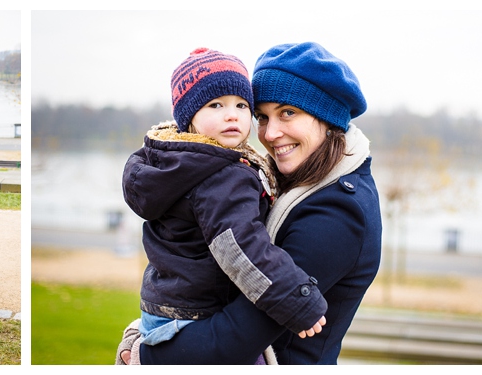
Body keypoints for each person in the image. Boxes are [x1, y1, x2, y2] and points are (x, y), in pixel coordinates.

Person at [132, 42, 382, 365]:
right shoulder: (292, 176)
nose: (271, 133)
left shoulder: (338, 214)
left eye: (288, 113)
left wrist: (144, 353)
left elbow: (238, 335)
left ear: (327, 116)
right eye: (262, 116)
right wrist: (152, 323)